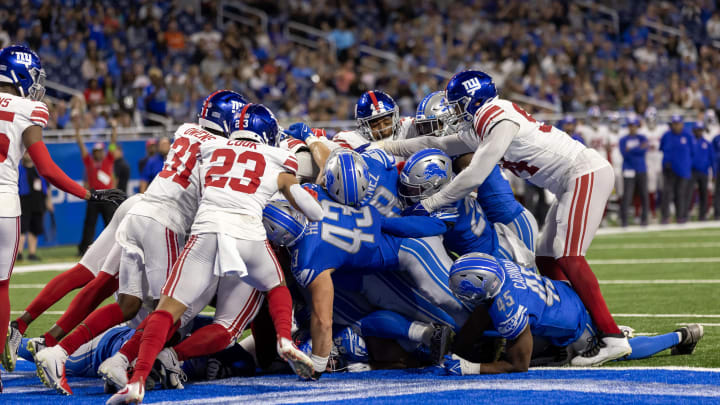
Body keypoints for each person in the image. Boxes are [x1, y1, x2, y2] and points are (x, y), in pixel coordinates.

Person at [379, 70, 630, 365]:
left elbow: (475, 174)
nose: (456, 112)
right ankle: (589, 327)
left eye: (458, 104)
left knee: (568, 255)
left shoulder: (495, 116)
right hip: (569, 180)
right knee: (548, 258)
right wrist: (383, 148)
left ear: (474, 101)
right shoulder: (484, 122)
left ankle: (612, 337)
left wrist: (431, 202)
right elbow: (436, 144)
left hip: (583, 171)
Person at [108, 104, 324, 403]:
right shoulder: (277, 156)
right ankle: (285, 338)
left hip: (207, 231)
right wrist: (307, 198)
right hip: (249, 235)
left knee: (166, 311)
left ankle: (138, 380)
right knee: (276, 287)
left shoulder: (210, 147)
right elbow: (312, 211)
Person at [34, 91, 247, 396]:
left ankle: (59, 350)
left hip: (140, 212)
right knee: (170, 310)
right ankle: (122, 363)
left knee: (127, 305)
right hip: (166, 222)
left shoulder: (185, 130)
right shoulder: (221, 147)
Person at [0, 45, 124, 388]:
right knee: (1, 287)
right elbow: (47, 169)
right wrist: (89, 194)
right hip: (3, 203)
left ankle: (31, 334)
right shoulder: (28, 109)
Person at [442, 253, 704, 374]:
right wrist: (456, 348)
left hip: (574, 326)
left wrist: (471, 368)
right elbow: (482, 315)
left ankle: (681, 336)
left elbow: (518, 366)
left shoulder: (508, 306)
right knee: (497, 332)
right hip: (564, 295)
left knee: (621, 353)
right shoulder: (498, 265)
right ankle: (608, 332)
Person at [76, 118, 119, 255]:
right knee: (89, 223)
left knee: (110, 223)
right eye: (96, 151)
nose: (98, 153)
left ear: (103, 151)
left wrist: (114, 129)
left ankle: (113, 247)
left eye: (99, 150)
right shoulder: (89, 162)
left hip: (107, 194)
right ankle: (84, 249)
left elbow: (113, 143)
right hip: (94, 194)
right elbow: (81, 146)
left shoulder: (108, 159)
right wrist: (77, 132)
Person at [17, 151, 51, 261]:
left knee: (35, 229)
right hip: (23, 202)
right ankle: (19, 254)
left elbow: (48, 186)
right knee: (22, 228)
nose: (28, 155)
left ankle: (32, 253)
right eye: (26, 153)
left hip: (38, 202)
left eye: (29, 153)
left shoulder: (39, 169)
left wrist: (48, 201)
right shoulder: (18, 169)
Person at [659, 115, 693, 223]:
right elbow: (661, 148)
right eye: (674, 123)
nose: (676, 126)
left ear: (682, 124)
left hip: (683, 169)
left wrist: (686, 165)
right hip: (669, 169)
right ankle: (665, 217)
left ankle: (681, 216)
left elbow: (692, 152)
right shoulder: (666, 135)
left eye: (678, 123)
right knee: (667, 194)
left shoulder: (687, 135)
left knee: (681, 193)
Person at [619, 115, 649, 226]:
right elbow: (624, 154)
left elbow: (644, 150)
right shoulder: (623, 139)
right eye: (630, 125)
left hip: (641, 169)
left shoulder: (642, 137)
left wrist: (631, 149)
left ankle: (644, 219)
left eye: (634, 125)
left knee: (644, 195)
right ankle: (624, 220)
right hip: (628, 169)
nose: (632, 128)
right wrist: (638, 148)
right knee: (627, 195)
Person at [689, 122, 715, 221]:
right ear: (693, 130)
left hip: (704, 172)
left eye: (700, 130)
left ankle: (703, 215)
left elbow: (712, 158)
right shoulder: (690, 142)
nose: (699, 132)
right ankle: (687, 213)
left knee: (704, 193)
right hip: (692, 171)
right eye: (697, 129)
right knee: (689, 193)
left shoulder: (707, 143)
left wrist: (714, 172)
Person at [713, 131, 720, 219]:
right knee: (718, 192)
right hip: (719, 169)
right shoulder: (716, 138)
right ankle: (717, 214)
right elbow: (713, 155)